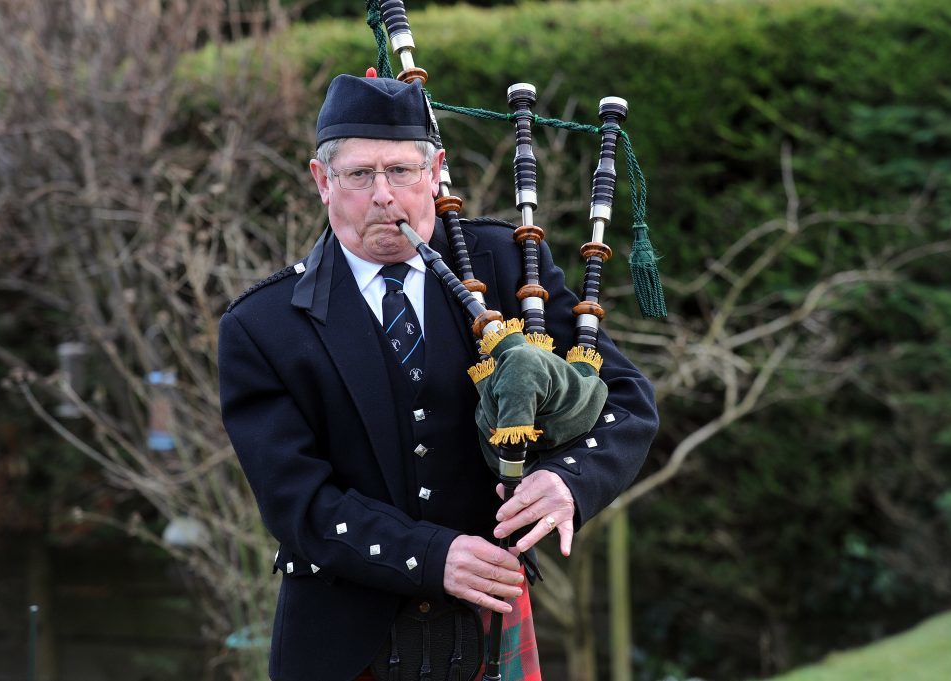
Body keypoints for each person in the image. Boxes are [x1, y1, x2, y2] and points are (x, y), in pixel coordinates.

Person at [218, 73, 658, 681]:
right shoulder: (263, 326)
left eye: (401, 171)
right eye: (358, 175)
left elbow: (626, 403)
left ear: (435, 172)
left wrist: (568, 484)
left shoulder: (505, 265)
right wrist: (430, 554)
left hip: (485, 624)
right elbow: (296, 499)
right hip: (342, 645)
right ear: (322, 181)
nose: (383, 196)